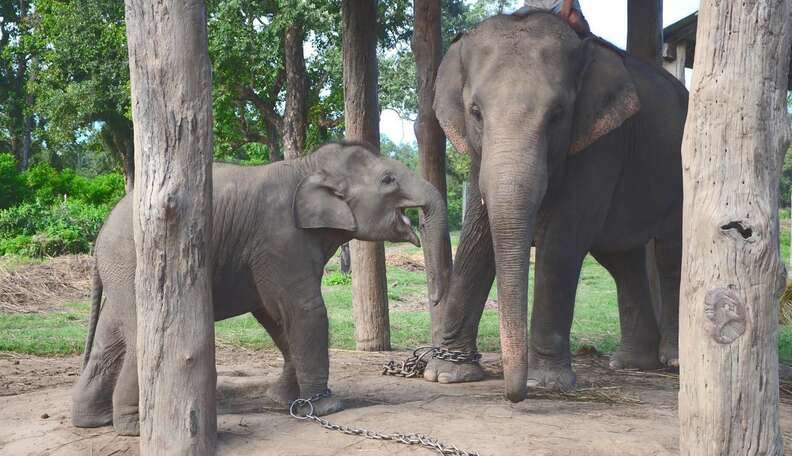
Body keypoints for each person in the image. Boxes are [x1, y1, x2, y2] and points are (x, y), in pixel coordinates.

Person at [522, 0, 591, 35]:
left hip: (560, 3)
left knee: (574, 20)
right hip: (532, 6)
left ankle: (592, 42)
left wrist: (564, 14)